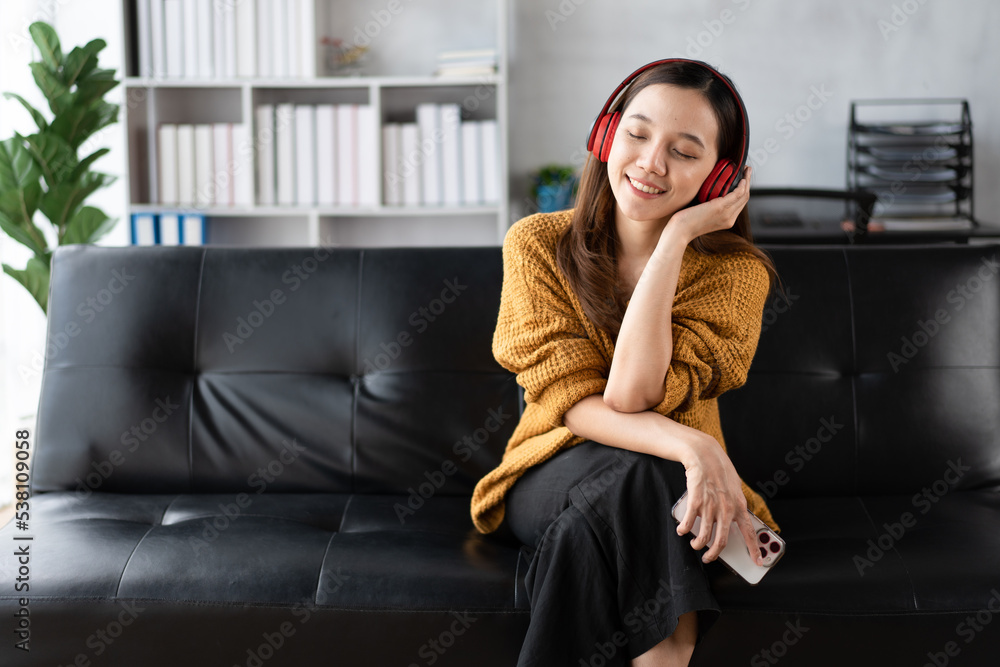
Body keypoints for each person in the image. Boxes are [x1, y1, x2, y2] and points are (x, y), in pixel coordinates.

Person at [469, 59, 783, 667]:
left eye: (685, 152)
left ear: (720, 179)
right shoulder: (535, 244)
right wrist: (696, 448)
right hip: (549, 467)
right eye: (637, 135)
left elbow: (635, 394)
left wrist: (673, 242)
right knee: (647, 478)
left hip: (649, 490)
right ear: (606, 136)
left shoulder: (736, 275)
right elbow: (581, 404)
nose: (651, 163)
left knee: (620, 501)